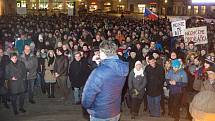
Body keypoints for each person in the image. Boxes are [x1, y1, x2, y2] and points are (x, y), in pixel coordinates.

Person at [82, 40, 129, 121]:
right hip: (115, 110)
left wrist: (88, 107)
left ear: (103, 53)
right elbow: (110, 76)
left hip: (100, 114)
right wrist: (100, 64)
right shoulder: (123, 67)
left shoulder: (98, 72)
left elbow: (87, 98)